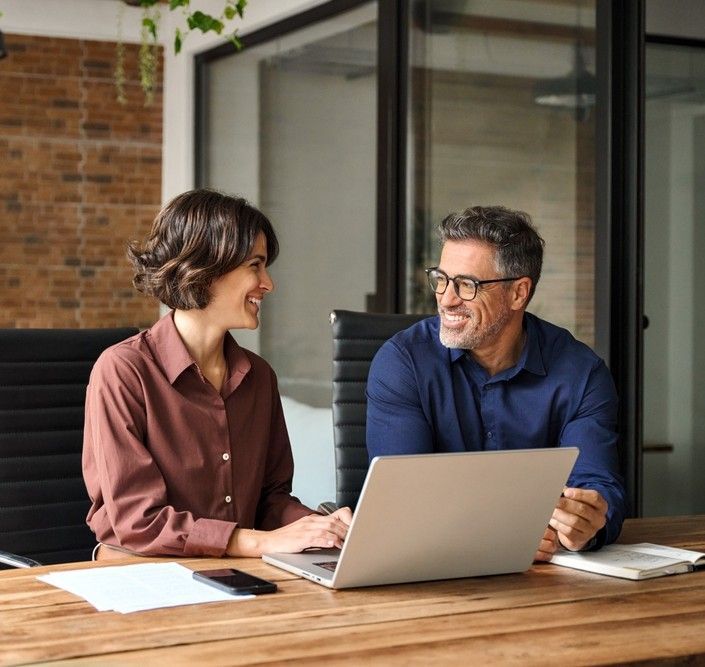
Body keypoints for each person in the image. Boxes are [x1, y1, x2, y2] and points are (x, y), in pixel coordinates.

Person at [82, 189, 351, 559]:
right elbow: (138, 520)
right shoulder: (124, 372)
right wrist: (259, 542)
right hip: (143, 574)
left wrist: (324, 527)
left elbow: (270, 501)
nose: (268, 283)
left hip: (236, 571)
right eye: (255, 265)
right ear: (206, 270)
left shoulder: (258, 377)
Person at [366, 205, 627, 560]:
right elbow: (399, 498)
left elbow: (598, 488)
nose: (446, 298)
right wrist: (499, 533)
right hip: (425, 574)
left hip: (544, 581)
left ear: (519, 293)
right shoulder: (403, 362)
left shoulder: (582, 373)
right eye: (441, 278)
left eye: (467, 284)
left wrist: (584, 525)